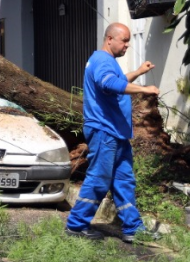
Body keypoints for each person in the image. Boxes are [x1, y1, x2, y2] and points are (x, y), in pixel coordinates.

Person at [65, 23, 160, 243]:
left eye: (128, 41)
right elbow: (109, 84)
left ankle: (132, 228)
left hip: (116, 132)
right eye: (124, 40)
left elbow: (117, 81)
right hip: (104, 130)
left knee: (124, 180)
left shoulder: (107, 62)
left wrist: (138, 72)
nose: (127, 45)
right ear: (110, 39)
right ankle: (76, 226)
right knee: (99, 178)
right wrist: (145, 89)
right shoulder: (101, 60)